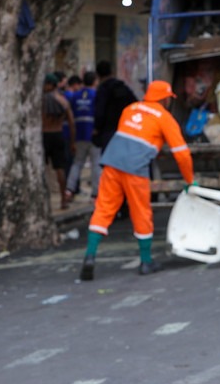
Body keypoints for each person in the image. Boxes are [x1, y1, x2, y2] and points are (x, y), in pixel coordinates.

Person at [80, 80, 196, 281]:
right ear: (164, 99)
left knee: (103, 209)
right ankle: (145, 261)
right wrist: (189, 181)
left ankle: (89, 257)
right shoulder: (165, 118)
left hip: (111, 163)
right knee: (141, 212)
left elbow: (133, 134)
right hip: (135, 170)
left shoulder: (130, 109)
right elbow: (182, 154)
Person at [65, 71, 101, 203]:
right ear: (95, 81)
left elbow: (71, 116)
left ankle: (69, 189)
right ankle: (95, 194)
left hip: (79, 134)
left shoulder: (75, 96)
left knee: (77, 163)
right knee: (96, 164)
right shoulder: (96, 95)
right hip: (94, 135)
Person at [41, 73, 76, 210]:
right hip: (58, 135)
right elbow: (72, 123)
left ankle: (44, 201)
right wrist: (72, 142)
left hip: (44, 135)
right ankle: (63, 200)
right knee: (60, 169)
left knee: (42, 170)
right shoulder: (63, 101)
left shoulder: (40, 101)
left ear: (50, 85)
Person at [92, 60, 137, 150]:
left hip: (109, 132)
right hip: (126, 130)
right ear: (112, 72)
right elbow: (135, 104)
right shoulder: (123, 87)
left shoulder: (103, 90)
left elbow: (100, 111)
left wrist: (96, 128)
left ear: (98, 75)